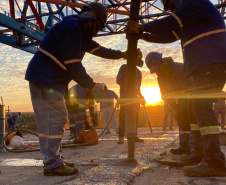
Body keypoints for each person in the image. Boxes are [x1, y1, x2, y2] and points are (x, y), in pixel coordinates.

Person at [25, 2, 140, 176]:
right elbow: (74, 65)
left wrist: (123, 54)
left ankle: (54, 159)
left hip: (49, 80)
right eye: (99, 27)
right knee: (53, 121)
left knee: (56, 119)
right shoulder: (72, 28)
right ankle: (52, 163)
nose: (97, 32)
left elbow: (101, 50)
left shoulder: (79, 32)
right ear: (92, 19)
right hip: (45, 79)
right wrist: (91, 86)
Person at [126, 0, 226, 177]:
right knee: (197, 108)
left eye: (171, 7)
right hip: (207, 62)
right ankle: (200, 154)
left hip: (213, 59)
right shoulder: (191, 17)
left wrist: (142, 27)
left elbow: (172, 21)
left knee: (201, 106)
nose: (171, 11)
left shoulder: (194, 2)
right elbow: (171, 34)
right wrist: (143, 35)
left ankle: (214, 160)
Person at [145, 52, 200, 156]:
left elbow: (190, 89)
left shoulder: (180, 69)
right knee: (182, 120)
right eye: (155, 71)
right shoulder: (160, 76)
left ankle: (195, 149)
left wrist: (184, 107)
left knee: (192, 120)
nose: (158, 73)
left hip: (194, 95)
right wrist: (175, 108)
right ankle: (184, 147)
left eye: (158, 69)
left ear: (163, 63)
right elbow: (165, 94)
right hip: (182, 98)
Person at [116, 59, 145, 144]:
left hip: (134, 98)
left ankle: (134, 135)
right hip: (125, 97)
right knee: (123, 116)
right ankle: (121, 136)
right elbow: (119, 80)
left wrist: (141, 96)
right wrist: (128, 90)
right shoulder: (124, 68)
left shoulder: (139, 72)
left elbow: (138, 87)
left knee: (136, 117)